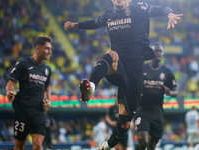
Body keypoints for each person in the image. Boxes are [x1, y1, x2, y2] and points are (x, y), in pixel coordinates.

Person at [64, 1, 183, 149]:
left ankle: (106, 146)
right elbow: (94, 22)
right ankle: (92, 86)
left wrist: (170, 14)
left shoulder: (138, 8)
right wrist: (75, 25)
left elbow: (159, 9)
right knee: (110, 54)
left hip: (135, 73)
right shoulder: (109, 14)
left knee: (125, 123)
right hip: (119, 67)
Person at [6, 36, 52, 150]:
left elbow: (47, 88)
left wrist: (49, 101)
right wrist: (8, 91)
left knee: (37, 144)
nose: (50, 51)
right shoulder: (23, 64)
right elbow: (11, 82)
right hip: (23, 110)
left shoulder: (47, 69)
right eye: (47, 48)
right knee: (19, 147)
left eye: (50, 49)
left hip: (39, 111)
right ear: (37, 49)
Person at [134, 42, 178, 150]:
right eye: (156, 51)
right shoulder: (142, 69)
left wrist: (169, 92)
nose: (158, 53)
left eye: (160, 51)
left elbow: (175, 92)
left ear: (163, 54)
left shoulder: (167, 72)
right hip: (142, 110)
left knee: (152, 146)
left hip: (157, 113)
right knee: (143, 141)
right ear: (151, 53)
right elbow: (133, 85)